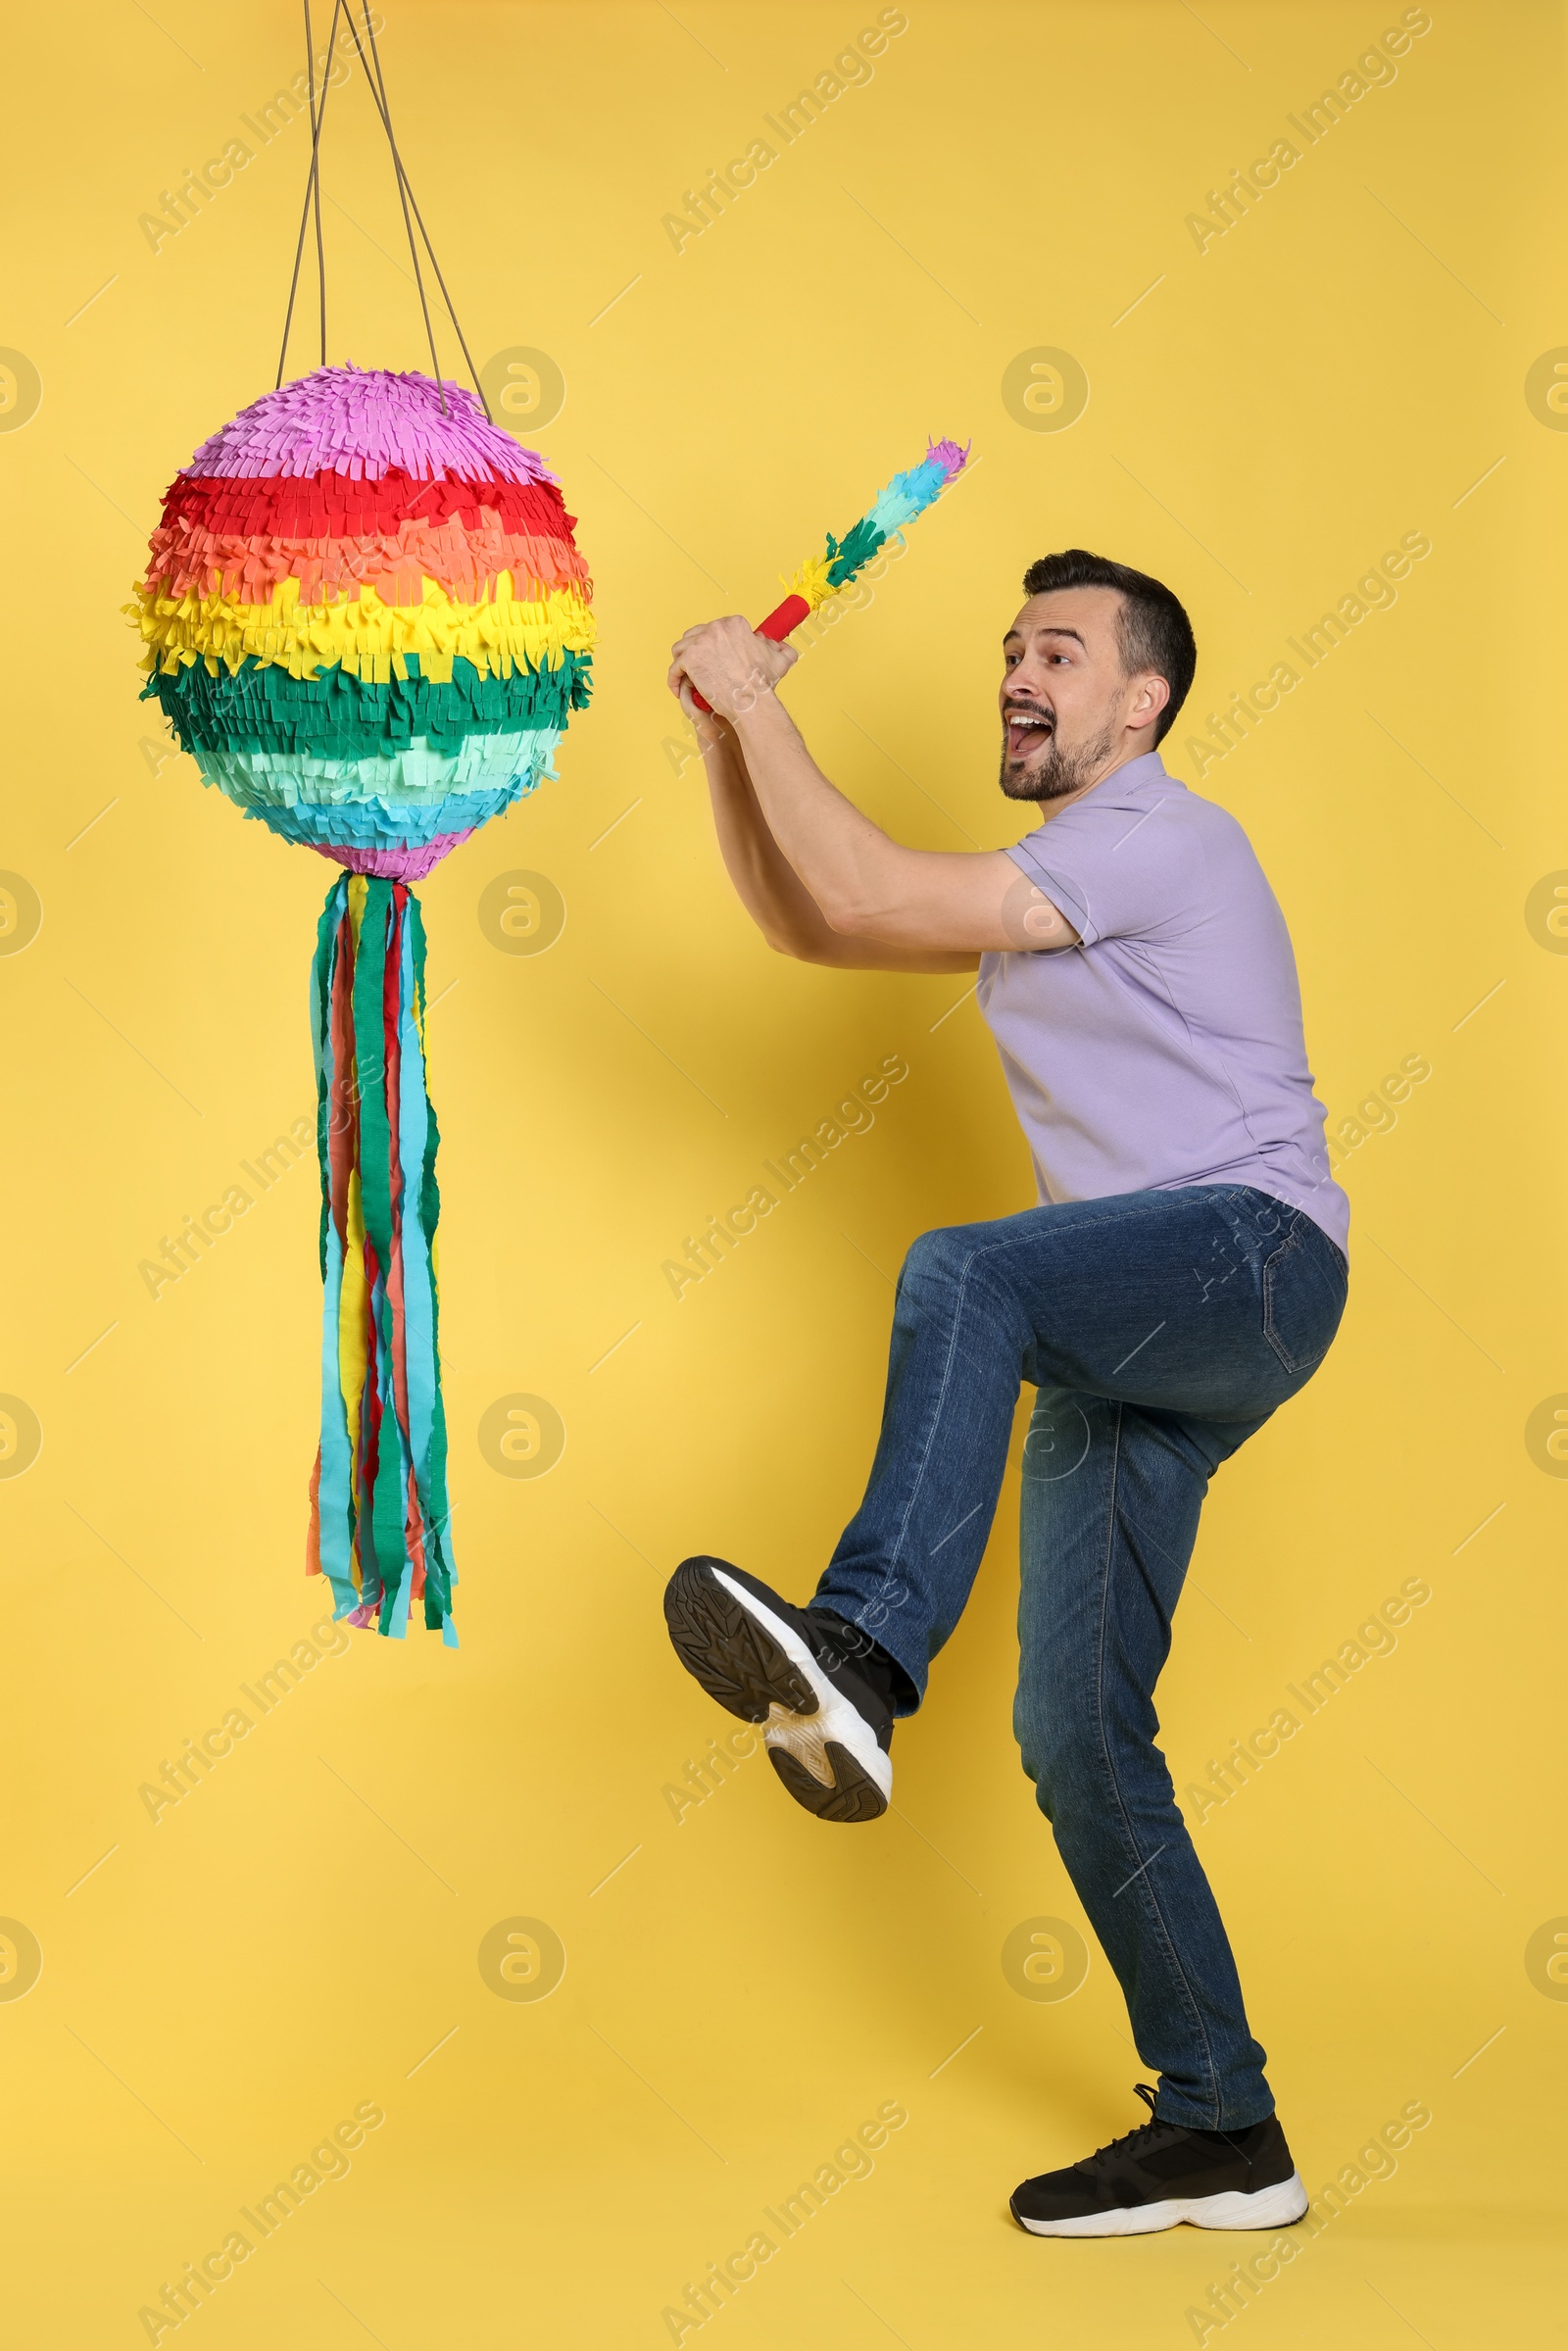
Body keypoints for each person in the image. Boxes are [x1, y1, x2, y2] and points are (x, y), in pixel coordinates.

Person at [662, 549, 1348, 2238]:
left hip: (1250, 1260)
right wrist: (725, 748)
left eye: (1059, 651)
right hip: (1141, 1312)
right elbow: (824, 918)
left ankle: (866, 1648)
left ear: (1142, 701)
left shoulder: (1159, 839)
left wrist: (760, 701)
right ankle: (1223, 2128)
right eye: (1008, 651)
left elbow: (883, 883)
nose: (1018, 676)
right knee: (1078, 1739)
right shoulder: (1059, 871)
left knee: (965, 1269)